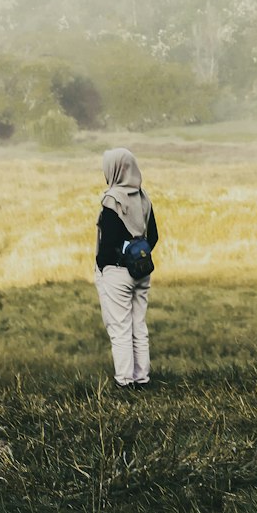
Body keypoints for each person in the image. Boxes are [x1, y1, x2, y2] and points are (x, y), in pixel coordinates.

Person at [94, 146, 159, 389]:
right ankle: (142, 378)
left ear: (114, 169)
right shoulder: (144, 198)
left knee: (120, 328)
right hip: (141, 270)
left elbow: (107, 243)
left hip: (117, 273)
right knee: (138, 326)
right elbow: (153, 236)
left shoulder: (112, 200)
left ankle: (124, 382)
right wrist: (137, 255)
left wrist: (103, 266)